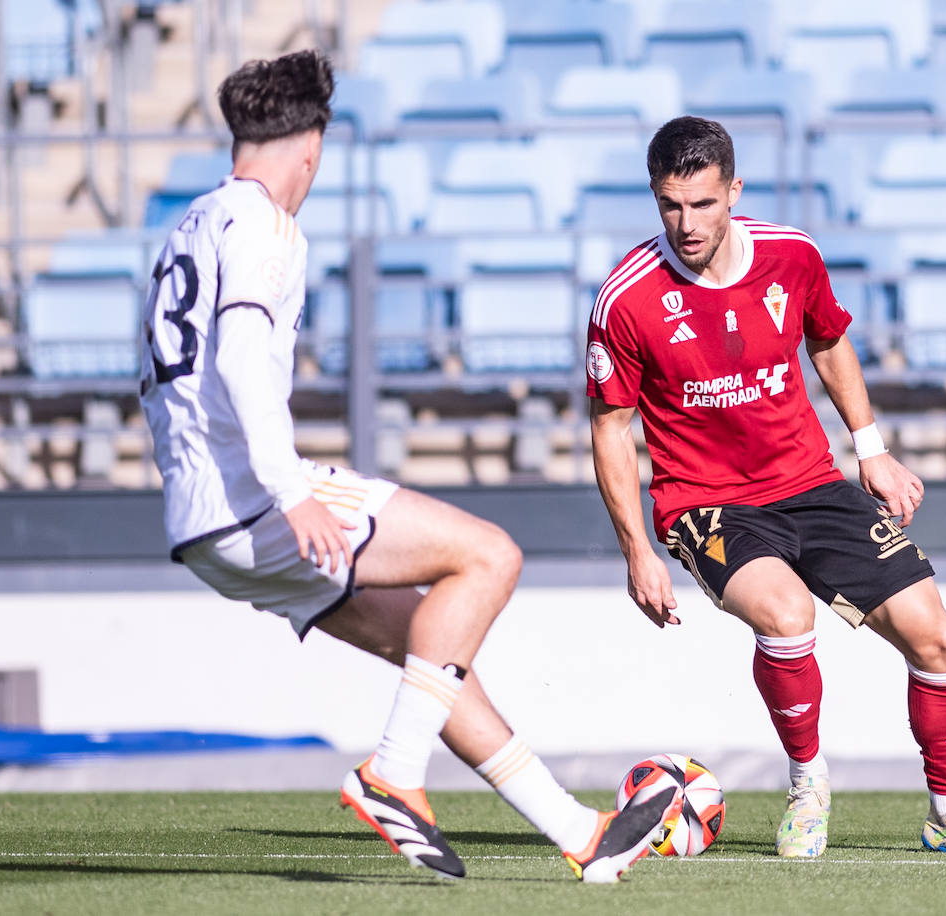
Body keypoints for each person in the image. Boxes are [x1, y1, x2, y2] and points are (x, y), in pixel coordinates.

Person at [137, 50, 679, 883]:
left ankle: (580, 833)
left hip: (197, 521)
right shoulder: (264, 225)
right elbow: (242, 354)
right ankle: (394, 773)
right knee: (489, 557)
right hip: (255, 498)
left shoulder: (189, 224)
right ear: (311, 145)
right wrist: (289, 490)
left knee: (430, 647)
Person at [586, 116, 946, 858]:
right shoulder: (627, 299)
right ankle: (808, 787)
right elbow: (611, 429)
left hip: (810, 482)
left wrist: (873, 451)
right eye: (671, 205)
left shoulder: (793, 256)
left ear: (734, 190)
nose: (687, 223)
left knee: (936, 634)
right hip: (706, 501)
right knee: (789, 614)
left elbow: (828, 341)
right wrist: (636, 548)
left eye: (703, 204)